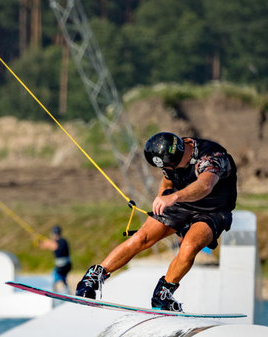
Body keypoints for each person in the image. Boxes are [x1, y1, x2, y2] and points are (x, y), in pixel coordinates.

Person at [74, 131, 237, 311]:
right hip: (181, 203)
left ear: (181, 155)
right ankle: (92, 279)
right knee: (142, 237)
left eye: (172, 166)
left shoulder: (211, 157)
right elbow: (167, 184)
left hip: (213, 209)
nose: (171, 170)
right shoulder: (169, 158)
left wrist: (174, 197)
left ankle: (163, 295)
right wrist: (159, 207)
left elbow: (205, 185)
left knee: (189, 246)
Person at [39, 225, 72, 293]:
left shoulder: (54, 242)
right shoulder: (64, 241)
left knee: (54, 276)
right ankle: (67, 291)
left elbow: (45, 246)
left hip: (61, 265)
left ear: (53, 233)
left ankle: (54, 292)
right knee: (63, 278)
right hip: (68, 265)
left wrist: (40, 243)